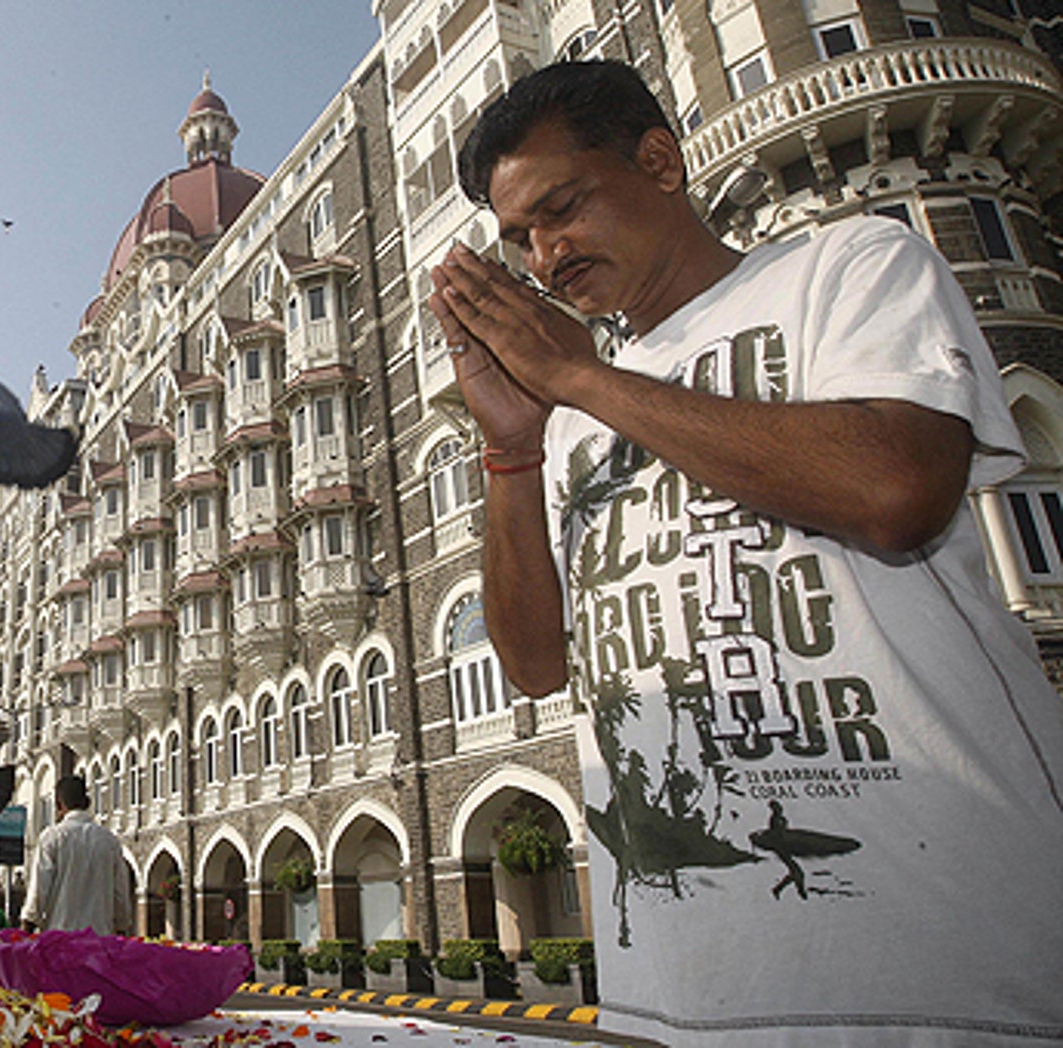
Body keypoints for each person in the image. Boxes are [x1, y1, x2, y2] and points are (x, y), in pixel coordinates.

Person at [426, 59, 1063, 1046]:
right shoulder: (578, 404)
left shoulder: (845, 266)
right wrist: (510, 449)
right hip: (691, 993)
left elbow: (894, 489)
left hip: (949, 974)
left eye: (561, 207)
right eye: (517, 238)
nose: (544, 254)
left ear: (658, 161)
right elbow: (534, 664)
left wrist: (577, 379)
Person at [20, 776, 131, 936]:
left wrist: (26, 930)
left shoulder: (52, 837)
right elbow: (120, 893)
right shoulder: (109, 841)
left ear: (58, 804)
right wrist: (121, 928)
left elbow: (39, 891)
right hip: (98, 940)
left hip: (60, 939)